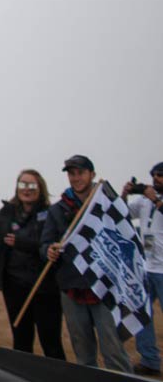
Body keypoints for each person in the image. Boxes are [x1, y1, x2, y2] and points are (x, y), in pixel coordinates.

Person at [41, 155, 132, 372]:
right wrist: (49, 250)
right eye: (71, 174)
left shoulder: (107, 204)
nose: (76, 178)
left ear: (91, 174)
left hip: (104, 287)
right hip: (72, 286)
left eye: (80, 172)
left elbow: (125, 238)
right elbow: (45, 242)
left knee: (113, 350)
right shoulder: (57, 209)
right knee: (83, 353)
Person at [0, 169, 64, 359]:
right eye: (22, 185)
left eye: (31, 185)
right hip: (14, 286)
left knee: (50, 341)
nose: (26, 189)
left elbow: (52, 246)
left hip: (43, 287)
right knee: (21, 341)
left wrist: (23, 244)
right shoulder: (7, 212)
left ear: (40, 188)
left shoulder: (50, 214)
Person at [124, 163, 163, 376]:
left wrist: (155, 200)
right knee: (141, 315)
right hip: (146, 268)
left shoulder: (154, 200)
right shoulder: (145, 201)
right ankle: (149, 361)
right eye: (154, 176)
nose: (156, 179)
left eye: (161, 176)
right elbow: (123, 212)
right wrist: (125, 193)